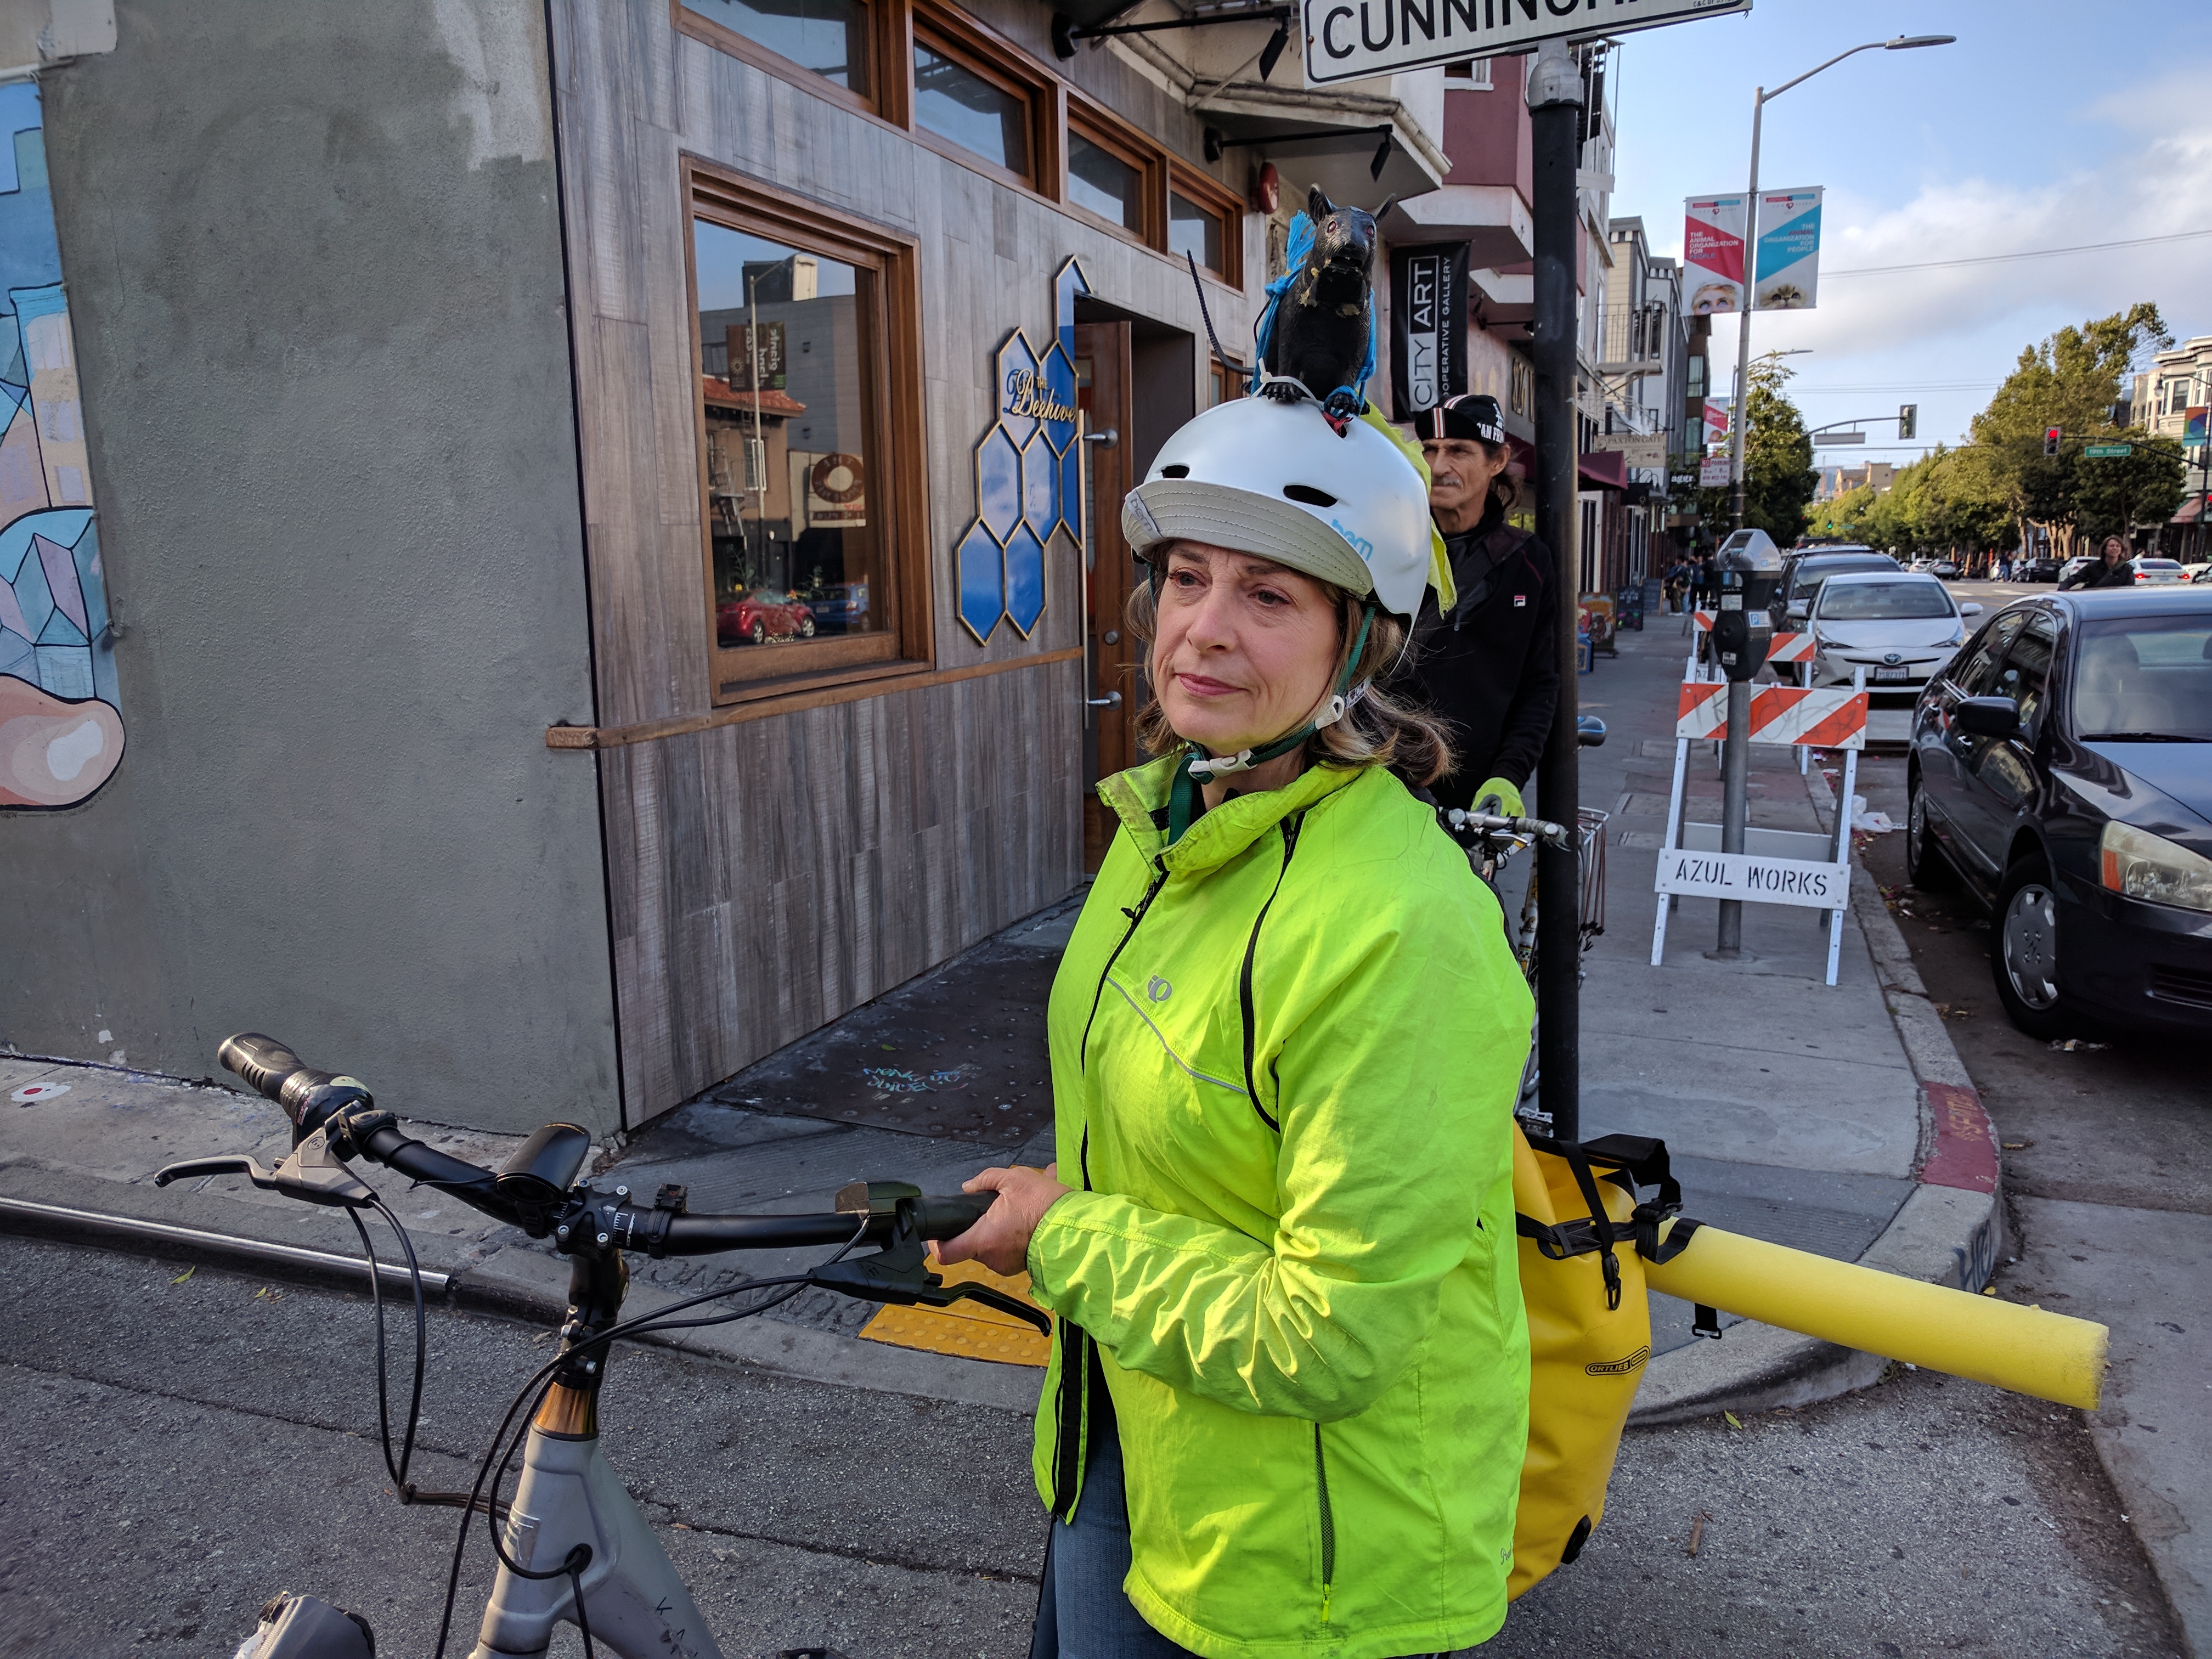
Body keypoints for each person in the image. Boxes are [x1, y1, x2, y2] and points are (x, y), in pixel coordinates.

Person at [937, 395, 1534, 1659]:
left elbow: (1333, 1331)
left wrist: (1061, 1235)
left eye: (1269, 596)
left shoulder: (1398, 927)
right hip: (1134, 1438)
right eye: (1188, 579)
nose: (1200, 630)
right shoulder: (1169, 831)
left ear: (1357, 645)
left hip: (1303, 1566)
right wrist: (1059, 1212)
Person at [1400, 392, 1559, 816]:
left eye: (1458, 451)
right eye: (1430, 450)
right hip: (1384, 781)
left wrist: (1508, 776)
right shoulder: (1393, 546)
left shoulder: (1528, 561)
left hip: (1475, 802)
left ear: (1497, 460)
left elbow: (1539, 685)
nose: (1438, 467)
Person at [2061, 534, 2136, 590]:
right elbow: (2076, 578)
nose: (2115, 548)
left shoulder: (2127, 569)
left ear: (2121, 550)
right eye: (2112, 546)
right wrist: (2063, 588)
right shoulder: (2094, 566)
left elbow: (2130, 589)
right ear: (2105, 550)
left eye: (2118, 546)